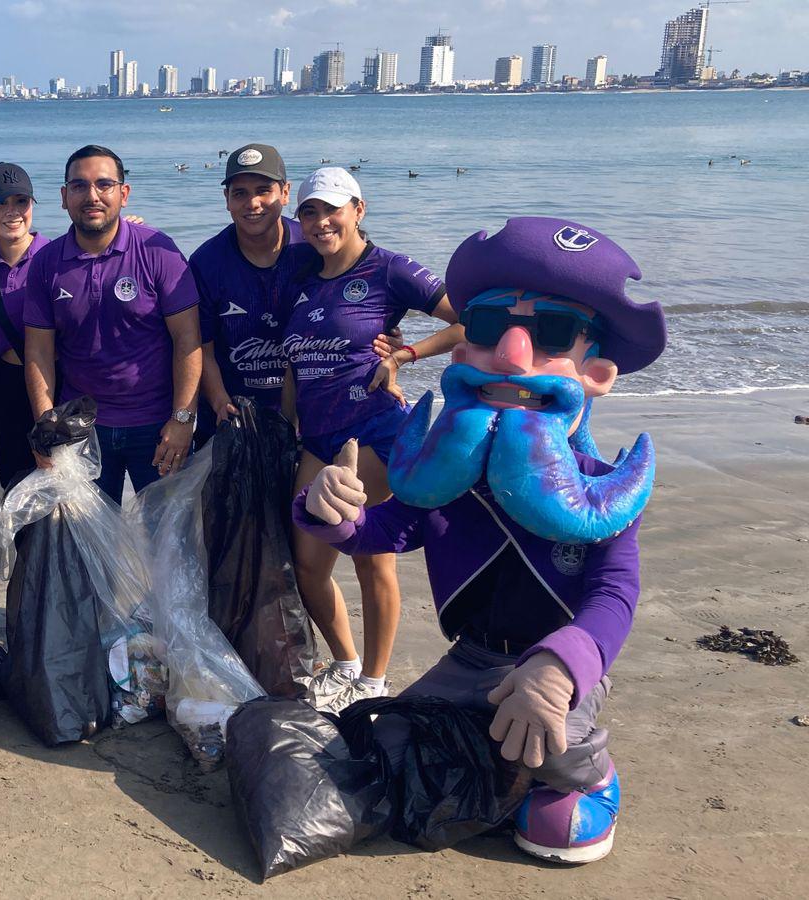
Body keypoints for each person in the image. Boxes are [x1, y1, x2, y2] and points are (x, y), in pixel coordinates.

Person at [296, 216, 664, 864]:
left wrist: (562, 667)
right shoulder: (448, 479)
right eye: (492, 328)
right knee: (384, 751)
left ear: (597, 371)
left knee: (546, 759)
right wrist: (328, 510)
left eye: (551, 333)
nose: (514, 356)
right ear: (465, 352)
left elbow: (614, 594)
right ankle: (504, 773)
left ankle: (592, 776)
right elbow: (381, 531)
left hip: (557, 664)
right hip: (469, 659)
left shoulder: (605, 494)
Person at [278, 167, 464, 712]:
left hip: (376, 431)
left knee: (369, 555)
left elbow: (469, 322)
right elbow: (294, 364)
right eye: (309, 212)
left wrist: (405, 355)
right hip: (316, 436)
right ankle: (345, 663)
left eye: (331, 209)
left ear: (359, 209)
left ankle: (376, 681)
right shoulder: (303, 276)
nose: (319, 222)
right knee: (308, 562)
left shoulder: (390, 269)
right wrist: (290, 428)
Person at [23, 144, 202, 503]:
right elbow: (39, 352)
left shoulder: (157, 251)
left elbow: (188, 339)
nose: (92, 196)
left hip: (156, 427)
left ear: (124, 193)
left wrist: (183, 419)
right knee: (90, 552)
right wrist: (47, 427)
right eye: (79, 186)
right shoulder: (46, 263)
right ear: (63, 196)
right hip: (82, 430)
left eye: (104, 185)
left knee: (167, 545)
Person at [189, 143, 304, 438]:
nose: (253, 203)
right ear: (227, 199)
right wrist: (219, 402)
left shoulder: (312, 247)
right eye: (240, 193)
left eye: (264, 190)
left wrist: (391, 345)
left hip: (307, 412)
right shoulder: (206, 262)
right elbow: (202, 346)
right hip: (230, 414)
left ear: (285, 193)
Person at [0, 162, 51, 488]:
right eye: (0, 203)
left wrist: (131, 230)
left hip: (59, 384)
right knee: (17, 492)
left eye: (20, 201)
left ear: (32, 204)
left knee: (71, 495)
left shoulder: (58, 255)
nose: (12, 212)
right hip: (7, 389)